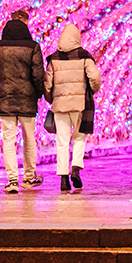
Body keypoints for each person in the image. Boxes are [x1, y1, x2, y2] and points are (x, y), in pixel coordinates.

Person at [0, 10, 45, 193]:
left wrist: (1, 90)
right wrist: (38, 92)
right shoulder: (33, 47)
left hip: (6, 100)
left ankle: (12, 180)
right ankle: (29, 177)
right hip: (27, 99)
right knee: (29, 139)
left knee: (8, 141)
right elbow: (37, 75)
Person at [44, 22, 101, 194]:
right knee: (79, 137)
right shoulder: (84, 56)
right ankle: (76, 167)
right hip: (80, 104)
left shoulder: (53, 58)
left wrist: (51, 99)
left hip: (60, 106)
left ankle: (63, 178)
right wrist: (91, 90)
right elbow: (95, 77)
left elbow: (47, 84)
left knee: (62, 141)